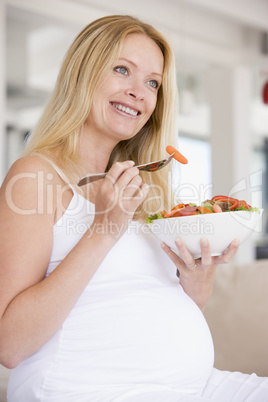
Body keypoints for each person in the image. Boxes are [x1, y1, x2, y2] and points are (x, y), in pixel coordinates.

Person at [0, 14, 267, 402]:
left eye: (153, 83)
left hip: (195, 387)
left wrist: (196, 287)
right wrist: (104, 229)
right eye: (122, 70)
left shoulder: (146, 192)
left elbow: (138, 302)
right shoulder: (35, 177)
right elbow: (10, 345)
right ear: (83, 74)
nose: (139, 92)